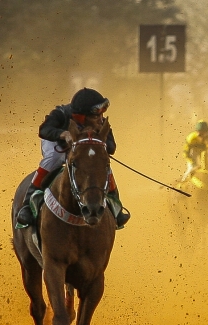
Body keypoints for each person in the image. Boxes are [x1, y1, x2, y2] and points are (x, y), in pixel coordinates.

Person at [15, 88, 131, 229]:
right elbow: (43, 130)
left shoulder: (100, 122)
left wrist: (96, 143)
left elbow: (111, 147)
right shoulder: (61, 113)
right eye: (96, 116)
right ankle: (27, 205)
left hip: (83, 147)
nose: (100, 119)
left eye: (102, 115)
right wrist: (63, 134)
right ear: (82, 117)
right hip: (57, 143)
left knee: (101, 163)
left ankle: (116, 207)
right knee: (53, 158)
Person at [179, 120, 208, 185]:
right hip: (193, 153)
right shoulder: (191, 138)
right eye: (200, 133)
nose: (202, 136)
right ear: (196, 132)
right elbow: (186, 153)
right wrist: (192, 163)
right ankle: (182, 183)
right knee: (191, 168)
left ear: (207, 132)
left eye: (204, 133)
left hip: (206, 153)